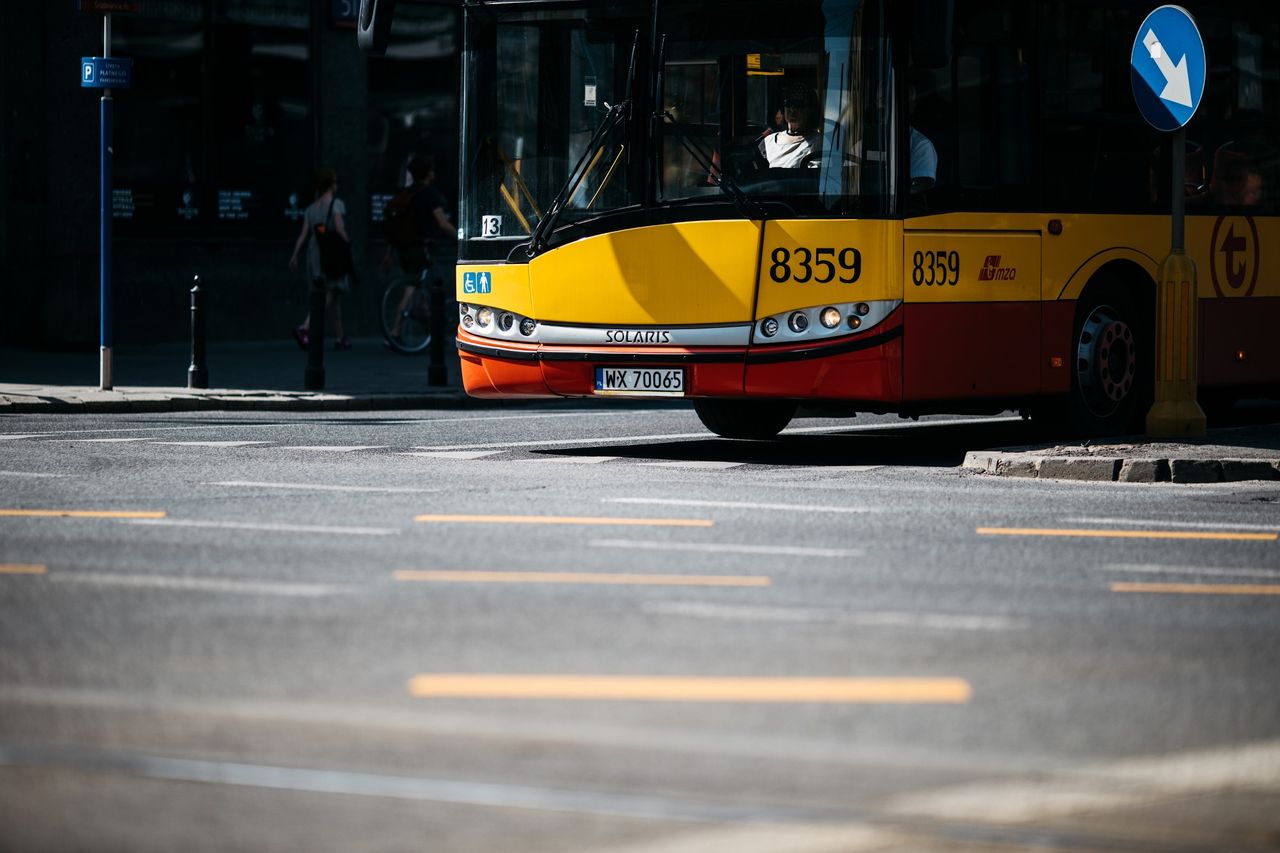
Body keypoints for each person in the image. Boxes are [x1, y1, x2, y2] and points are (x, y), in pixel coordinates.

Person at [381, 155, 455, 345]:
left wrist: (388, 254)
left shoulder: (405, 193)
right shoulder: (429, 194)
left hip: (403, 250)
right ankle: (396, 331)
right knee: (412, 289)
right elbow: (442, 223)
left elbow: (395, 227)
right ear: (429, 173)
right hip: (422, 249)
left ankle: (434, 333)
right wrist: (461, 238)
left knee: (422, 289)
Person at [289, 167, 352, 350]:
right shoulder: (336, 204)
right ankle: (305, 327)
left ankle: (340, 336)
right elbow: (339, 228)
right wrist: (348, 245)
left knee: (331, 294)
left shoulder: (311, 208)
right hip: (332, 254)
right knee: (331, 291)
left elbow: (303, 234)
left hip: (314, 253)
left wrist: (295, 255)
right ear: (332, 184)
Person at [758, 89, 821, 168]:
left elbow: (814, 177)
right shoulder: (768, 141)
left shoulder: (819, 142)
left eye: (799, 105)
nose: (792, 110)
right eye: (789, 103)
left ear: (810, 110)